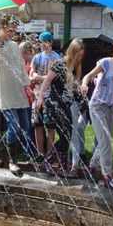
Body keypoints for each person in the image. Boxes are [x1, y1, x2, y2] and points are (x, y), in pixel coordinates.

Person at [0, 14, 32, 173]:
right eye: (10, 26)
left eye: (14, 26)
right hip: (4, 92)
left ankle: (0, 150)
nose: (13, 29)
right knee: (15, 126)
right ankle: (13, 161)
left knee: (25, 126)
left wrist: (28, 86)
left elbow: (20, 66)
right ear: (2, 27)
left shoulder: (13, 45)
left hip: (18, 91)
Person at [80, 42, 113, 188]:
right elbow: (88, 75)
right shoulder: (106, 62)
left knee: (105, 141)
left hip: (112, 108)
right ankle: (108, 177)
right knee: (105, 141)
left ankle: (91, 168)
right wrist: (84, 84)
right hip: (97, 105)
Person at [36, 38, 84, 178]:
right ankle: (49, 162)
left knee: (66, 136)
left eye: (82, 56)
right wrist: (40, 98)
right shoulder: (60, 64)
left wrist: (80, 90)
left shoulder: (74, 68)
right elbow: (47, 81)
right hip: (54, 103)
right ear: (73, 52)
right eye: (79, 55)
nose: (80, 58)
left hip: (65, 105)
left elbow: (72, 90)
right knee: (66, 135)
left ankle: (61, 168)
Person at [30, 32, 62, 162]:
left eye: (47, 41)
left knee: (50, 125)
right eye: (43, 41)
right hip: (37, 95)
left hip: (51, 96)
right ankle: (40, 153)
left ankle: (49, 154)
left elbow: (54, 78)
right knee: (37, 124)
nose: (45, 44)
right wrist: (36, 77)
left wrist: (38, 77)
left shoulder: (57, 58)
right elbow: (31, 75)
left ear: (51, 42)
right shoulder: (37, 57)